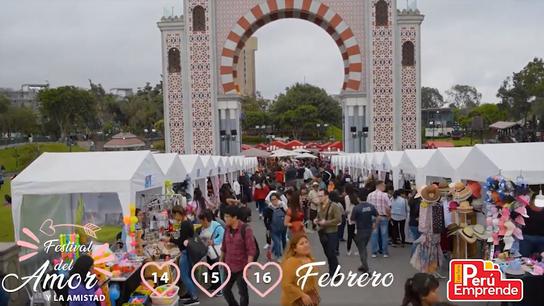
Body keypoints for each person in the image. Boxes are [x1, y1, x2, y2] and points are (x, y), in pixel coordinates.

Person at [221, 205, 257, 306]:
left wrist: (247, 268)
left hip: (241, 266)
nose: (225, 219)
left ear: (235, 217)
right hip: (228, 265)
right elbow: (224, 246)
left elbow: (251, 250)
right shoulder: (227, 229)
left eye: (227, 217)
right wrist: (220, 261)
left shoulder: (245, 229)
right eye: (225, 216)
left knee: (242, 293)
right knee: (225, 290)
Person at [167, 207, 199, 305]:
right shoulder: (187, 221)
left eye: (174, 215)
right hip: (188, 250)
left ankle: (194, 297)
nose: (174, 217)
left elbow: (181, 240)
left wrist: (170, 240)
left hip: (186, 251)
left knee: (184, 275)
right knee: (188, 274)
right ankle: (190, 293)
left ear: (178, 214)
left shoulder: (185, 224)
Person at [280, 233, 320, 306]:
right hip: (294, 302)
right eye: (301, 244)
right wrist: (302, 295)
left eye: (306, 242)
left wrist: (314, 294)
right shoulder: (291, 262)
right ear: (294, 249)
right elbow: (286, 284)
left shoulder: (310, 259)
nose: (305, 245)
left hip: (309, 300)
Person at [314, 189, 342, 275]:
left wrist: (326, 222)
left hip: (332, 232)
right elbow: (318, 216)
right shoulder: (319, 205)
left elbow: (338, 219)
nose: (319, 198)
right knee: (327, 253)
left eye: (321, 196)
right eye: (318, 196)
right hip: (322, 232)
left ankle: (337, 273)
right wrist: (316, 220)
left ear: (326, 196)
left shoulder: (334, 206)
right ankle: (331, 271)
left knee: (331, 253)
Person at [198, 210, 225, 295]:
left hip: (216, 251)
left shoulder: (216, 225)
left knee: (216, 270)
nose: (200, 222)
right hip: (209, 252)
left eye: (201, 220)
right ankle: (214, 285)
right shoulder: (203, 227)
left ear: (205, 219)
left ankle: (219, 288)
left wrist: (214, 241)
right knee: (211, 269)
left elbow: (223, 236)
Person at [351, 192, 378, 273]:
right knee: (363, 247)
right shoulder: (371, 206)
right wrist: (374, 224)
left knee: (362, 249)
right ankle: (363, 265)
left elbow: (352, 220)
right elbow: (378, 216)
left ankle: (365, 267)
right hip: (369, 230)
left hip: (360, 230)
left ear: (358, 198)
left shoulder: (356, 208)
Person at [367, 181, 391, 258]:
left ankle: (374, 252)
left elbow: (368, 207)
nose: (385, 187)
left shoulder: (370, 195)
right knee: (384, 235)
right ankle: (384, 252)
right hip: (383, 216)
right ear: (379, 186)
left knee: (374, 234)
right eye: (384, 186)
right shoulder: (384, 195)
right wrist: (389, 216)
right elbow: (388, 207)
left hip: (373, 217)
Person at [520, 192, 544, 257]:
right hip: (527, 238)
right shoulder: (525, 208)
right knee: (524, 257)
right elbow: (514, 215)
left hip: (542, 238)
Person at [269, 193, 287, 260]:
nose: (274, 201)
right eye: (272, 200)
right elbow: (266, 219)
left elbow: (287, 213)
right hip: (273, 228)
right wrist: (268, 228)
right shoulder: (269, 208)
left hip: (283, 227)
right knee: (277, 242)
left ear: (278, 198)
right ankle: (279, 256)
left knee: (283, 239)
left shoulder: (282, 205)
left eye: (275, 199)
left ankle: (272, 251)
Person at [344, 183, 358, 256]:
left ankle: (349, 250)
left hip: (350, 217)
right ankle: (359, 248)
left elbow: (347, 209)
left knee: (350, 234)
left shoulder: (347, 197)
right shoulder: (355, 196)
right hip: (356, 217)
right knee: (353, 234)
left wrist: (344, 214)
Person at [408, 190, 421, 255]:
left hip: (412, 222)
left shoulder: (411, 200)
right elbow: (416, 212)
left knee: (415, 239)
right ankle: (413, 255)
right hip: (416, 222)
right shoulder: (418, 202)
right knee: (417, 240)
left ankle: (414, 255)